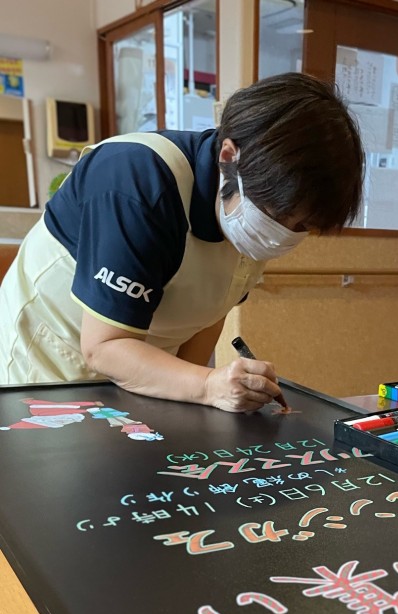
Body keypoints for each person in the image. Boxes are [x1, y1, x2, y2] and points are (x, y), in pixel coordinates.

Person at [0, 73, 364, 412]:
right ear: (229, 157)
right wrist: (207, 386)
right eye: (278, 215)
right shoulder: (136, 181)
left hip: (139, 365)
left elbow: (211, 312)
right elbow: (105, 346)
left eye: (303, 226)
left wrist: (196, 397)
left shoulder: (247, 208)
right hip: (53, 358)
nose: (284, 233)